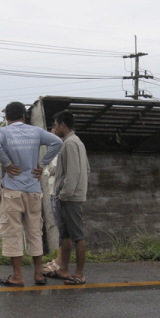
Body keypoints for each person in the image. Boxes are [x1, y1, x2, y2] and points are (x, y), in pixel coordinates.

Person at [0, 101, 62, 287]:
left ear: (6, 117)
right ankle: (38, 274)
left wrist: (6, 163)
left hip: (12, 191)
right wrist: (42, 164)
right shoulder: (35, 131)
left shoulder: (2, 132)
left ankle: (17, 277)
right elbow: (57, 142)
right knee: (35, 232)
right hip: (34, 191)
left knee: (12, 233)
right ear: (23, 116)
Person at [47, 110, 90, 285]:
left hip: (70, 198)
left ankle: (79, 274)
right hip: (68, 196)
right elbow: (87, 169)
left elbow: (73, 172)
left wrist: (65, 194)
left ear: (63, 125)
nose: (55, 129)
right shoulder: (75, 142)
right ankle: (63, 269)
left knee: (77, 236)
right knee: (64, 235)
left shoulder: (70, 144)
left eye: (56, 125)